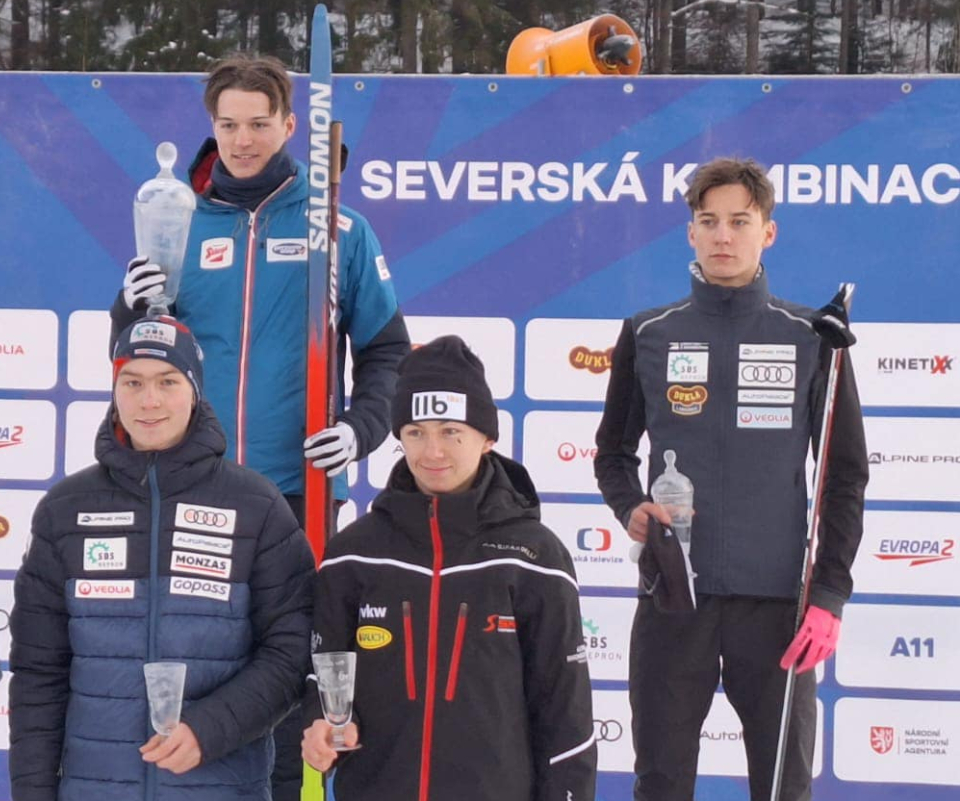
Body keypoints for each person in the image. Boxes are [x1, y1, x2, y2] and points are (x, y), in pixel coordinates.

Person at [111, 56, 408, 796]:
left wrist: (361, 428)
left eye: (259, 123)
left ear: (288, 123)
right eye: (228, 124)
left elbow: (387, 350)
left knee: (288, 674)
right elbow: (140, 362)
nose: (243, 140)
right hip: (188, 487)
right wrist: (130, 306)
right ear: (212, 125)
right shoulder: (178, 221)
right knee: (190, 668)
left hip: (295, 495)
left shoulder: (337, 226)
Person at [593, 157, 869, 801]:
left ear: (767, 232)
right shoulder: (648, 332)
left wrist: (828, 595)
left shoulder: (814, 336)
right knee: (660, 783)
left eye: (740, 221)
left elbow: (844, 477)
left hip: (778, 608)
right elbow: (612, 453)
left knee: (782, 788)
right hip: (672, 600)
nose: (723, 236)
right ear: (689, 231)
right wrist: (630, 506)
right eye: (708, 221)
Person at [10, 315, 315, 801]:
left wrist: (210, 729)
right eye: (132, 382)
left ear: (194, 390)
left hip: (220, 786)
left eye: (167, 382)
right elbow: (37, 677)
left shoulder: (255, 506)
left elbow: (292, 650)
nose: (148, 401)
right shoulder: (65, 509)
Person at [303, 336, 597, 801]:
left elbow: (566, 713)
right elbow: (321, 680)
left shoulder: (533, 557)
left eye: (450, 431)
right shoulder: (353, 553)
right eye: (416, 432)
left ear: (487, 438)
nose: (432, 451)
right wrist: (319, 728)